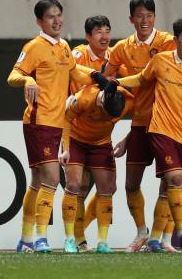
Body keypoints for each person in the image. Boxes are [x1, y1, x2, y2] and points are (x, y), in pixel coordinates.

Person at [103, 0, 182, 252]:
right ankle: (143, 232)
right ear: (131, 19)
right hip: (142, 123)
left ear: (155, 17)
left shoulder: (168, 41)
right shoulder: (122, 48)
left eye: (149, 15)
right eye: (140, 16)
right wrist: (108, 88)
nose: (145, 20)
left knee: (170, 182)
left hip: (169, 123)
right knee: (131, 184)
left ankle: (161, 239)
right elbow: (108, 74)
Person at [7, 0, 107, 253]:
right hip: (39, 121)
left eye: (59, 15)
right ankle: (41, 237)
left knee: (37, 182)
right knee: (52, 178)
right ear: (39, 21)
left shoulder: (63, 47)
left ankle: (25, 239)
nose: (57, 20)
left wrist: (97, 77)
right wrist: (27, 81)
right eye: (51, 17)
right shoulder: (33, 47)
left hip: (57, 122)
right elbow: (13, 75)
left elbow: (75, 72)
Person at [59, 85, 134, 253]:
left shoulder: (128, 100)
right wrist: (65, 148)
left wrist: (126, 141)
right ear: (101, 101)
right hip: (76, 140)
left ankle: (103, 242)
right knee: (73, 185)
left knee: (107, 189)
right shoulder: (84, 97)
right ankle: (70, 239)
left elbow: (143, 115)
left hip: (101, 144)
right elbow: (65, 117)